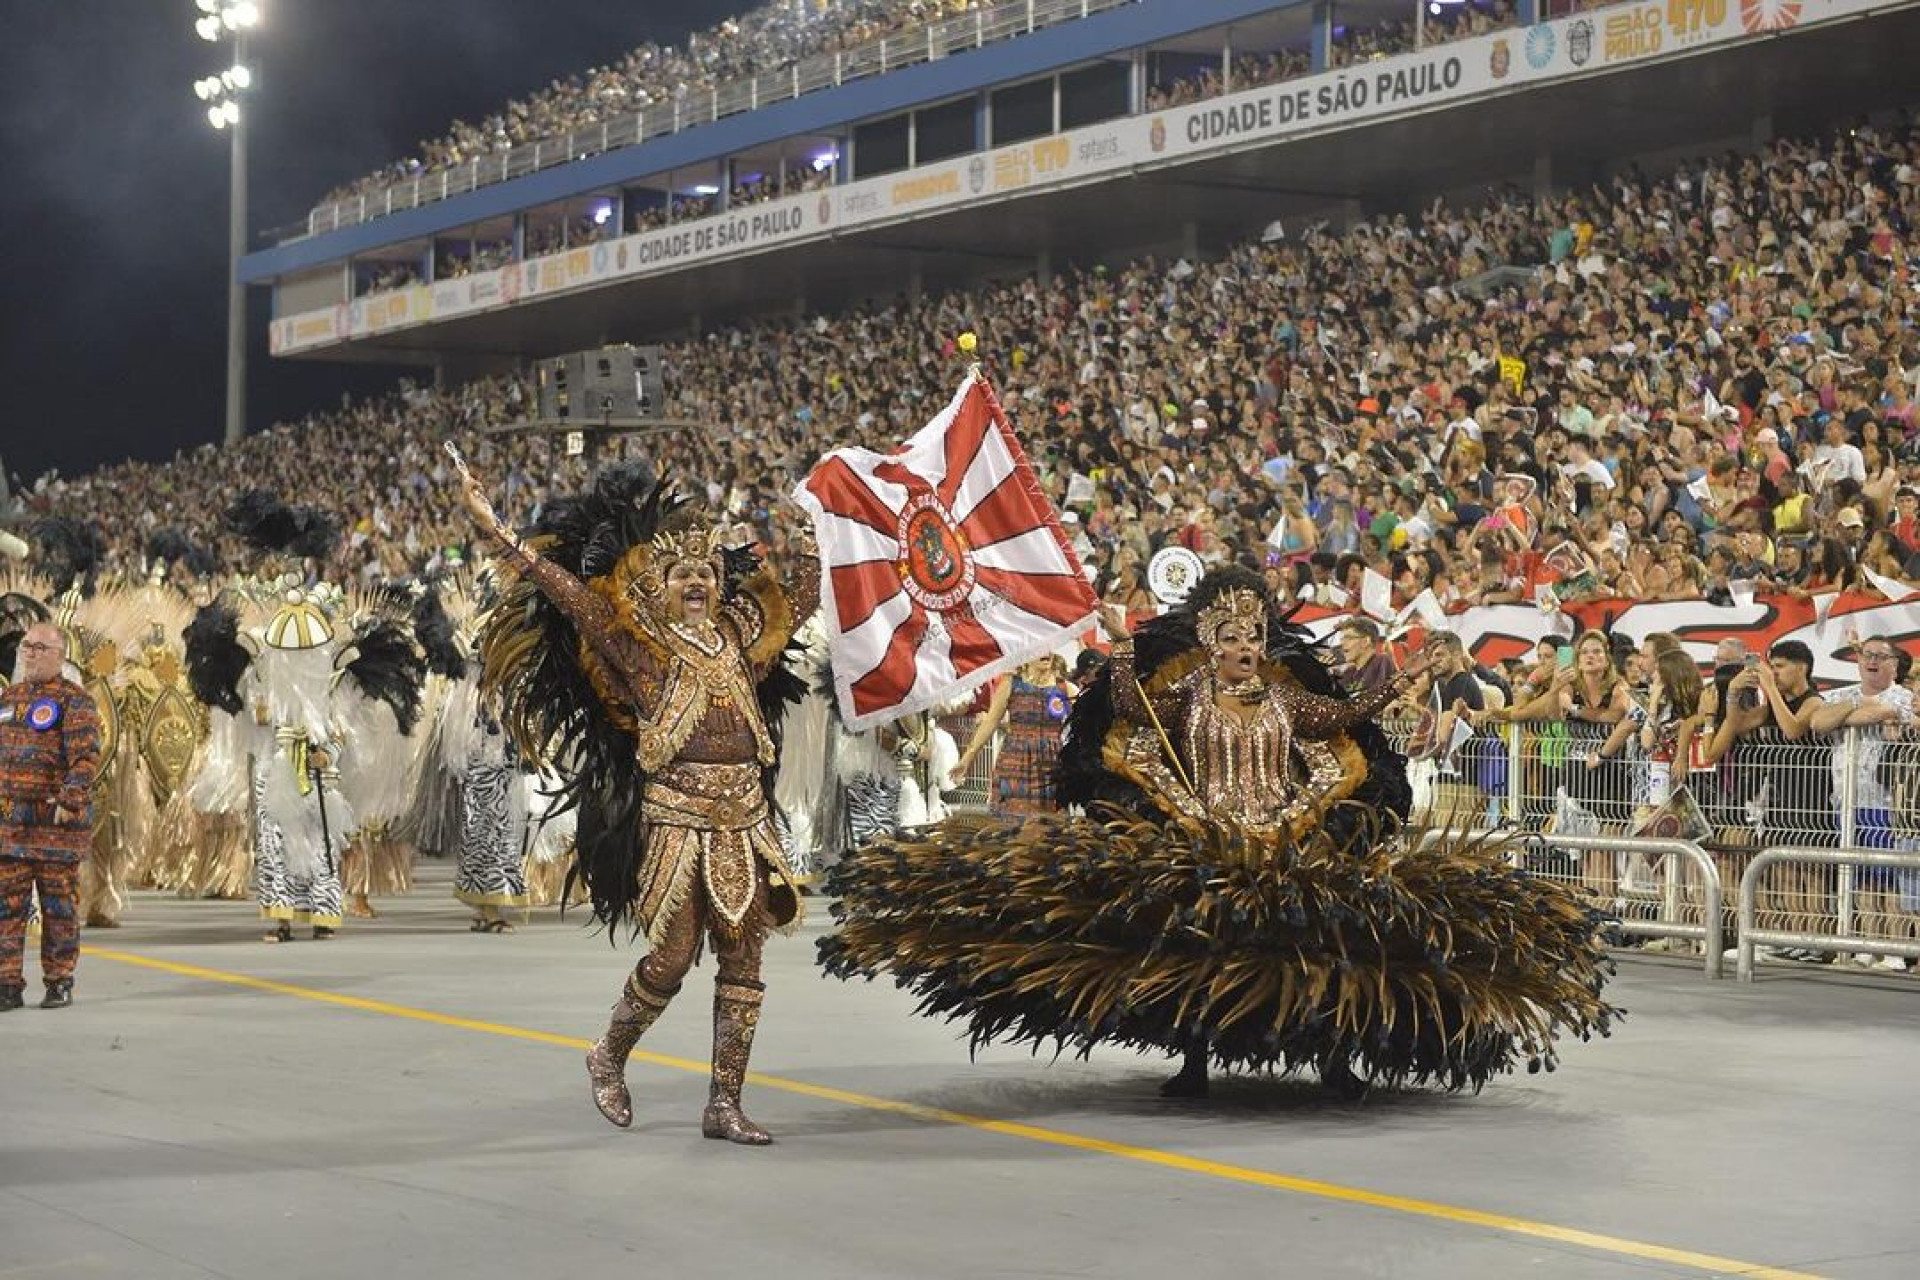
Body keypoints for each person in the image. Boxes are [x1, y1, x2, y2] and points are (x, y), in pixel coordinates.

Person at [820, 566, 1618, 1104]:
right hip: (1206, 828)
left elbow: (1337, 723)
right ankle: (1196, 1057)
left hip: (1290, 828)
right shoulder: (1189, 694)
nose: (1242, 648)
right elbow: (1131, 718)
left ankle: (1335, 1056)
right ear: (1210, 640)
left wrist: (1386, 695)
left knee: (1324, 938)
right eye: (1229, 638)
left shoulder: (1286, 695)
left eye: (1252, 638)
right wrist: (1126, 664)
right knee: (1202, 941)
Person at [459, 456, 817, 1145]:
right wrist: (494, 529)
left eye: (707, 574)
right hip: (678, 817)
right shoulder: (636, 648)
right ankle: (608, 1054)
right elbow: (562, 591)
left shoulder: (741, 639)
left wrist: (820, 534)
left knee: (745, 959)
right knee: (674, 957)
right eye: (683, 574)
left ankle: (724, 1104)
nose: (697, 583)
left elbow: (800, 599)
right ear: (655, 585)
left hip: (744, 818)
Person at [0, 624, 101, 1011]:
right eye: (27, 646)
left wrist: (70, 801)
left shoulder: (75, 701)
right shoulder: (9, 698)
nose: (30, 653)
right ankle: (7, 983)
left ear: (59, 656)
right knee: (7, 910)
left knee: (59, 910)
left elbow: (86, 759)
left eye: (40, 647)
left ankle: (59, 981)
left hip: (55, 829)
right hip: (11, 829)